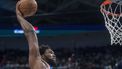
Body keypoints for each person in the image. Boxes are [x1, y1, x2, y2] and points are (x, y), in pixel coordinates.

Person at [16, 2, 56, 69]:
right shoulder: (36, 61)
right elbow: (30, 33)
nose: (53, 54)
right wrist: (19, 17)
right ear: (42, 55)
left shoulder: (47, 66)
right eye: (50, 52)